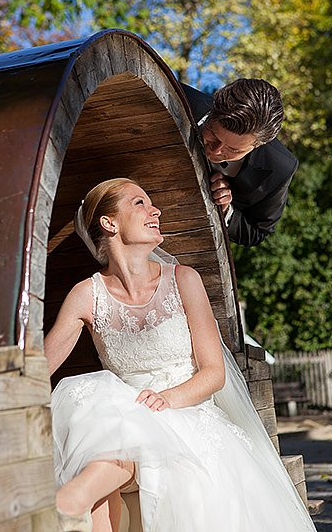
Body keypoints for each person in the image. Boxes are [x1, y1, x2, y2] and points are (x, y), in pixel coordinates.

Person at [45, 178, 316, 532]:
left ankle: (57, 508)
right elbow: (40, 367)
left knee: (119, 443)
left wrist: (165, 399)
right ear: (109, 223)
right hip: (121, 417)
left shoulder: (183, 279)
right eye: (139, 202)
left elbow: (213, 373)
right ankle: (64, 506)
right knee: (92, 402)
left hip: (184, 409)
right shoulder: (86, 295)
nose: (155, 210)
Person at [181, 79, 299, 247]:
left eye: (233, 149)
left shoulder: (280, 168)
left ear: (258, 145)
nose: (215, 151)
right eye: (213, 135)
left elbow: (257, 232)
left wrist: (225, 209)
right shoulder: (179, 95)